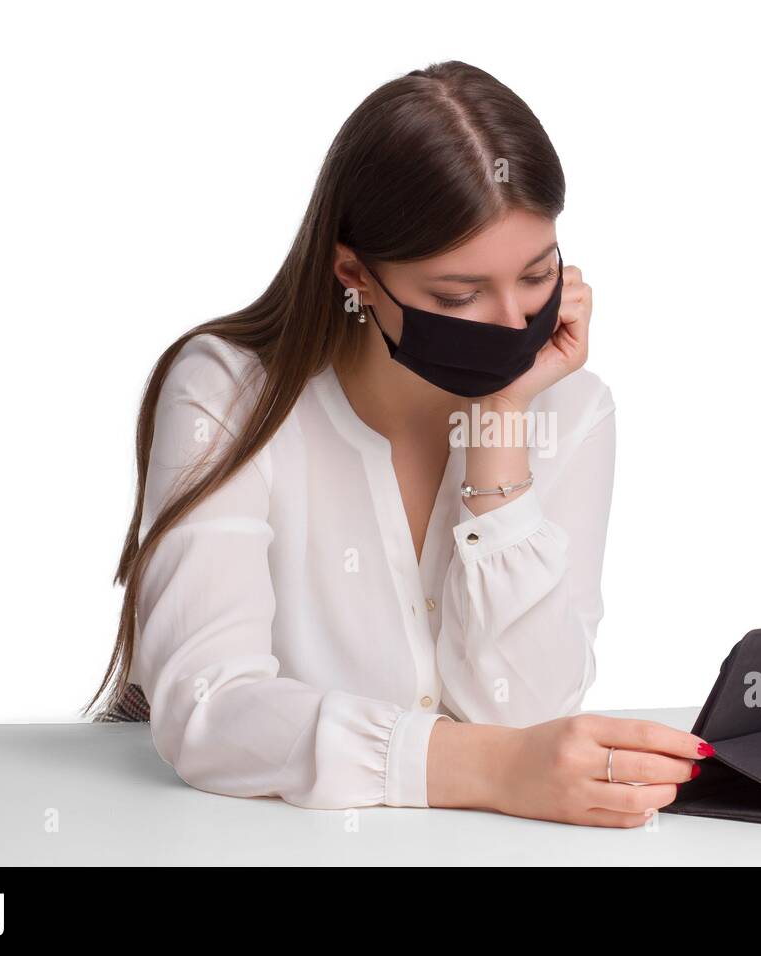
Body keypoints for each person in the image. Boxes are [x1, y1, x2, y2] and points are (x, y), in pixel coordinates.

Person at [84, 60, 711, 828]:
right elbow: (210, 712)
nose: (514, 324)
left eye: (536, 274)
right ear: (355, 274)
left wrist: (499, 424)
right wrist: (493, 766)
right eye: (458, 295)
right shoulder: (227, 392)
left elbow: (528, 710)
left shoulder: (571, 408)